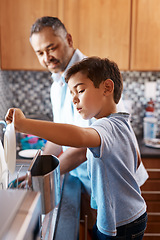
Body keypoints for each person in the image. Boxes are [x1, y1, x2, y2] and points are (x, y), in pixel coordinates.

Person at [6, 57, 148, 239]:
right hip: (131, 215)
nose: (74, 99)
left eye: (80, 90)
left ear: (107, 87)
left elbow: (79, 137)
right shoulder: (121, 122)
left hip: (121, 223)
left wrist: (24, 124)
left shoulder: (106, 127)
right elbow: (135, 160)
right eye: (72, 93)